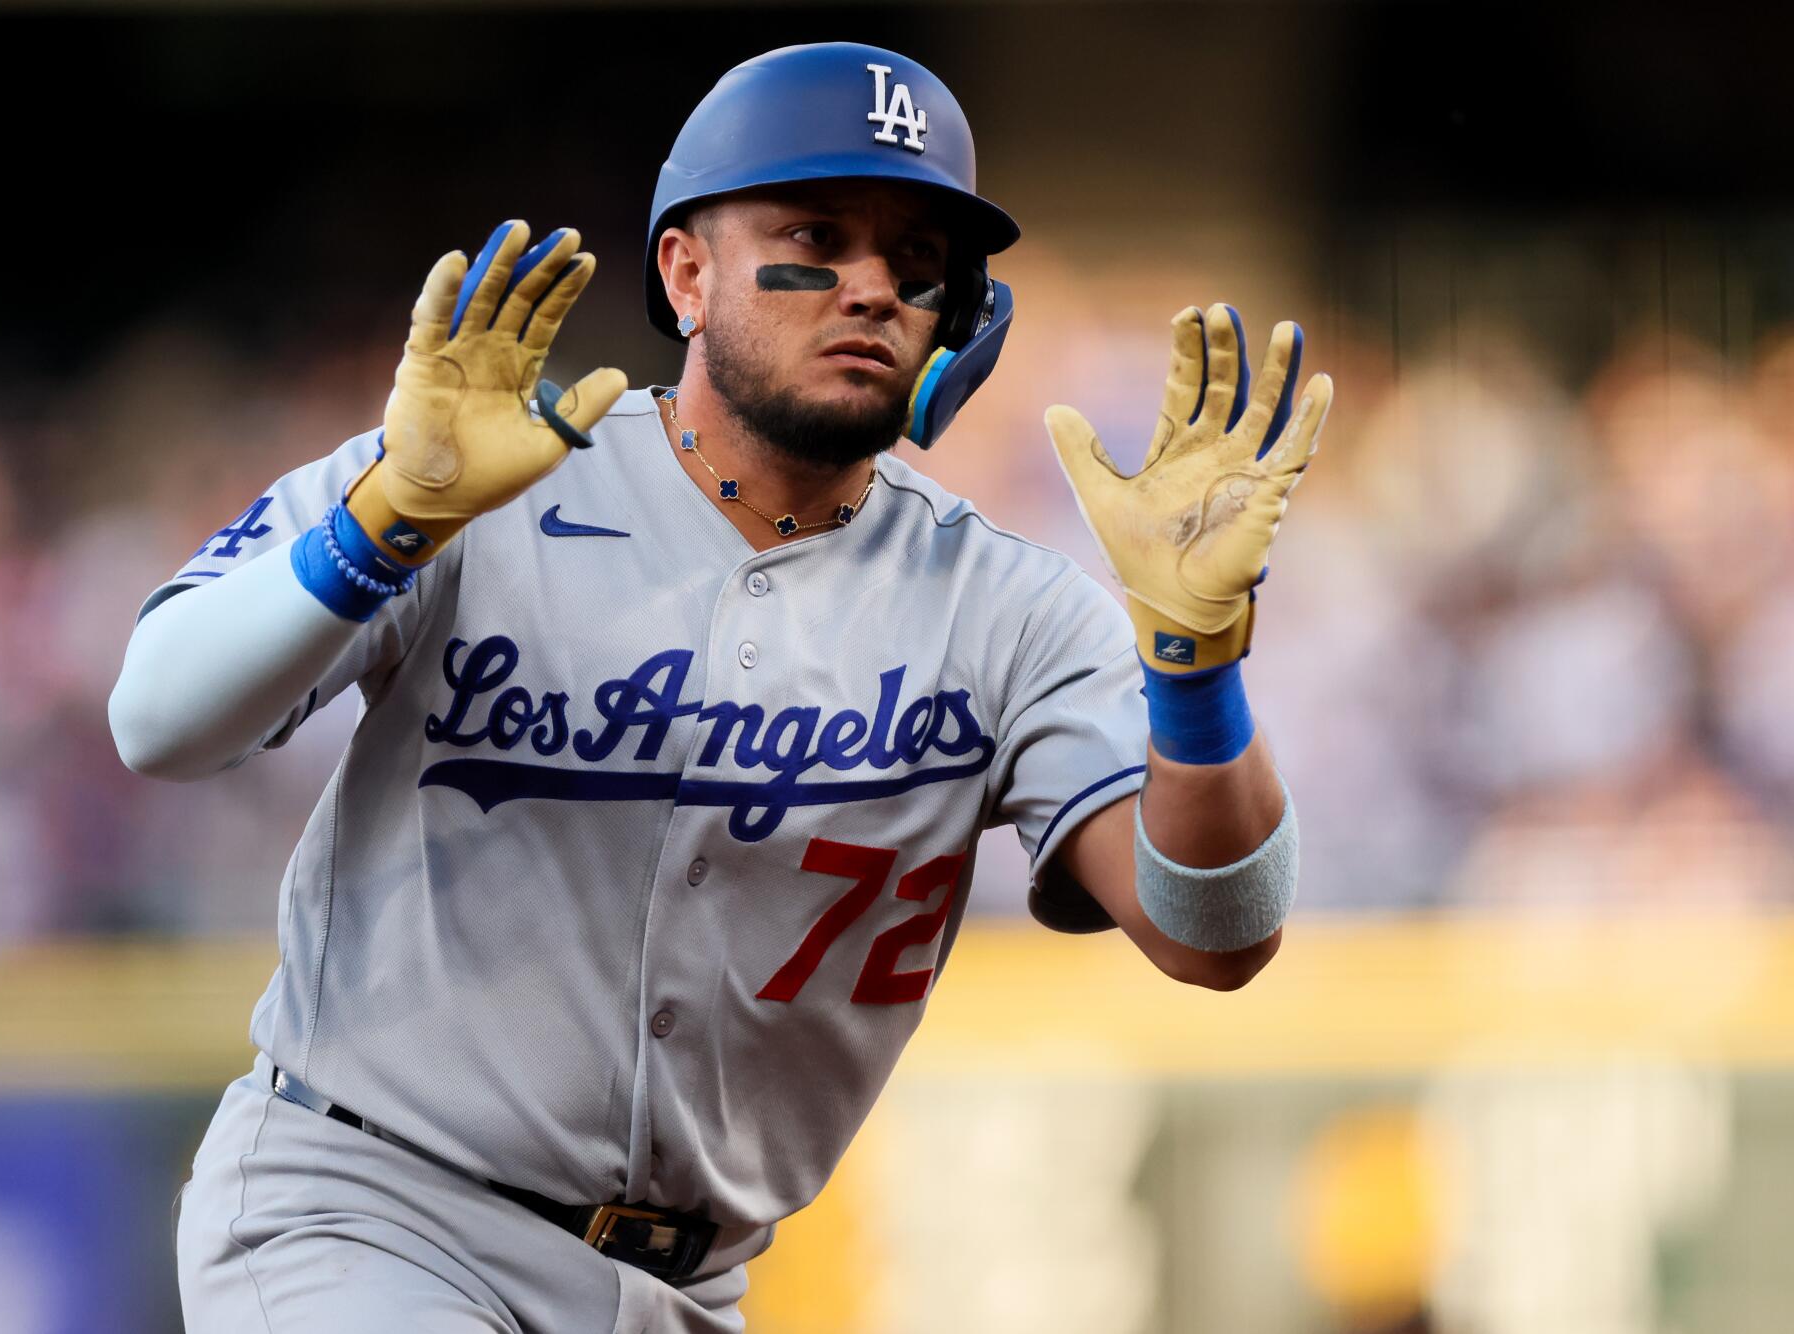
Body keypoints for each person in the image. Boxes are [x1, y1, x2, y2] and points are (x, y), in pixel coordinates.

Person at [109, 41, 1331, 1334]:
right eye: (814, 234)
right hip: (366, 1213)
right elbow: (160, 722)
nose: (868, 285)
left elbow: (1218, 934)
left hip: (682, 1290)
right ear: (686, 271)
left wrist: (1197, 665)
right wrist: (386, 521)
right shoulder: (467, 472)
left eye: (916, 259)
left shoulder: (1009, 608)